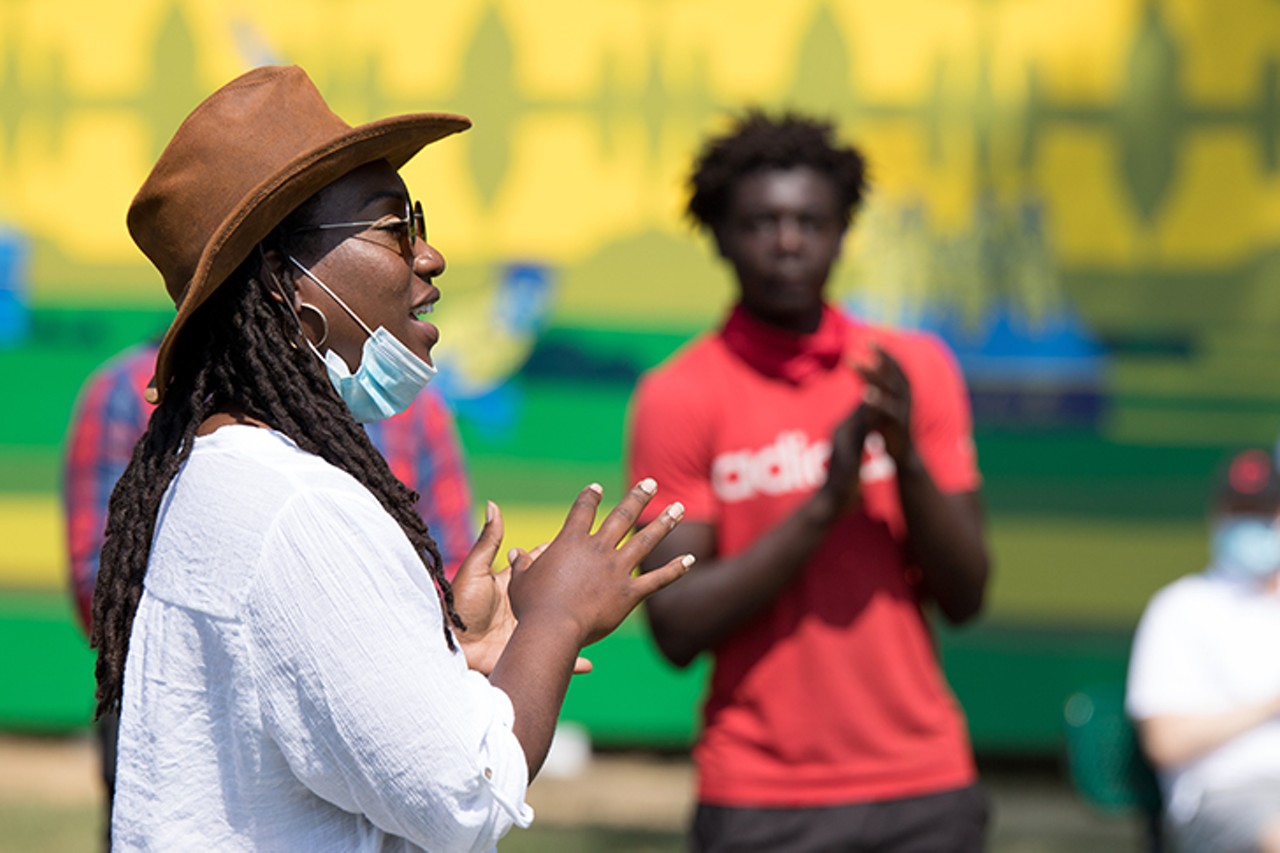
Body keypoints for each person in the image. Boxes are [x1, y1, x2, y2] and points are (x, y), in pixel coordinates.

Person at [91, 64, 693, 851]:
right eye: (394, 227)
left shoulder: (222, 473)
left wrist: (440, 651)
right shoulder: (296, 507)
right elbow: (460, 799)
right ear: (282, 281)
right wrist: (557, 617)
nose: (431, 256)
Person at [626, 111, 992, 851]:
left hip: (924, 782)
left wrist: (905, 457)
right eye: (762, 221)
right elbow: (676, 625)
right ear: (721, 235)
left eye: (810, 220)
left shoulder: (909, 370)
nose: (788, 240)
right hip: (763, 794)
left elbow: (967, 594)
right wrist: (824, 506)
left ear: (842, 231)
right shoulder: (680, 394)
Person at [62, 337, 478, 845]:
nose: (426, 268)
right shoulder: (126, 391)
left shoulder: (411, 404)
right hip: (181, 710)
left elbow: (448, 559)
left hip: (382, 704)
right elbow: (100, 581)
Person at [1126, 447, 1280, 853]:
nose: (1252, 524)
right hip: (1223, 798)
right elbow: (1165, 742)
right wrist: (1269, 706)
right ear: (1217, 516)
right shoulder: (1180, 607)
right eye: (1239, 511)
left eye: (1264, 512)